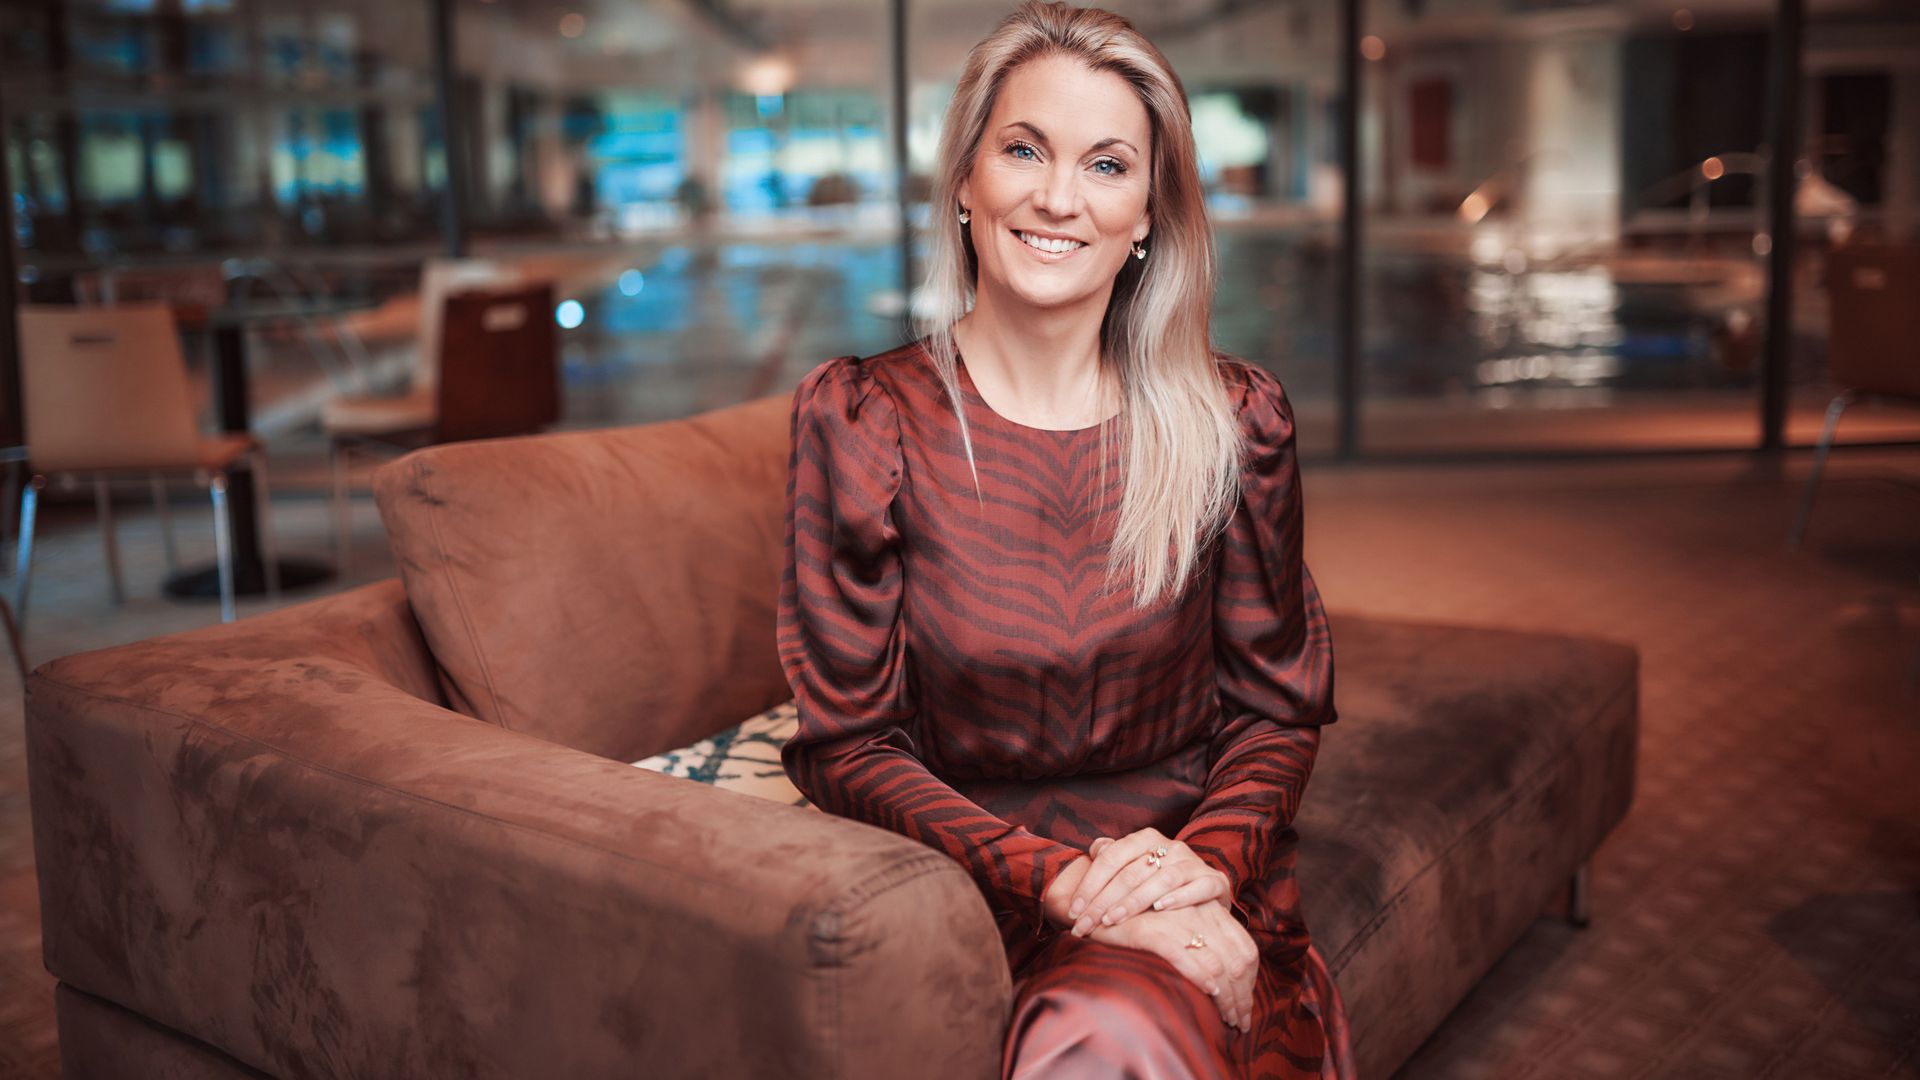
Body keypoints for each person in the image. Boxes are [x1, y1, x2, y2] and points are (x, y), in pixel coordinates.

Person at [775, 2, 1353, 1076]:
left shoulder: (1233, 419)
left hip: (1188, 871)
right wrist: (1065, 881)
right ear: (965, 180)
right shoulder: (863, 419)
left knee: (1108, 1026)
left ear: (1148, 215)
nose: (1057, 197)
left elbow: (1276, 709)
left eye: (1107, 165)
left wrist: (1195, 876)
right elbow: (842, 745)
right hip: (965, 888)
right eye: (1024, 150)